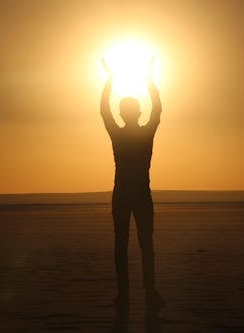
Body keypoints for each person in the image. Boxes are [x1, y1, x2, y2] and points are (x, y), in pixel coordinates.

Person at [100, 58, 164, 310]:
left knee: (124, 243)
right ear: (137, 112)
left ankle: (127, 293)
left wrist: (110, 79)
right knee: (143, 243)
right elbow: (157, 108)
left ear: (123, 113)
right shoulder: (144, 132)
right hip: (137, 194)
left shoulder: (121, 132)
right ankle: (141, 291)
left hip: (126, 194)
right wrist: (148, 78)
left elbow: (104, 109)